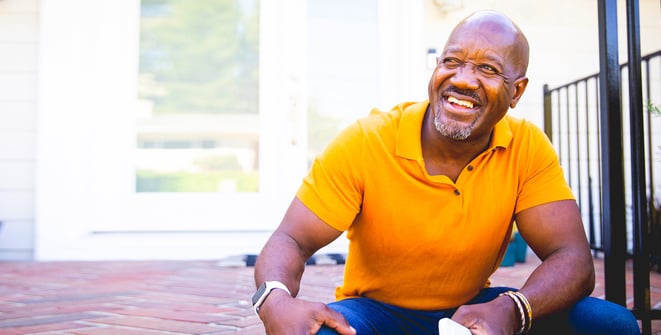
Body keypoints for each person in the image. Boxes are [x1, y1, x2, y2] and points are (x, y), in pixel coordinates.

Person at [253, 10, 641, 335]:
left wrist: (514, 308)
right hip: (375, 315)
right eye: (451, 61)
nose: (462, 79)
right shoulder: (366, 140)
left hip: (472, 314)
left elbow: (571, 257)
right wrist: (274, 299)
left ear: (517, 91)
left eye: (487, 69)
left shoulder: (526, 146)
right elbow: (292, 238)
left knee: (611, 324)